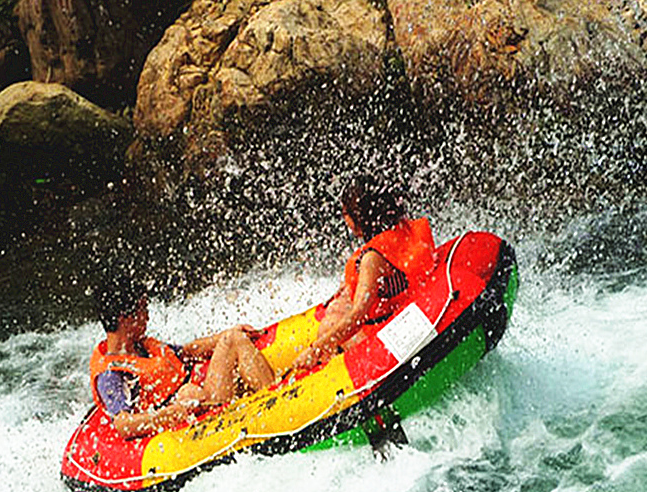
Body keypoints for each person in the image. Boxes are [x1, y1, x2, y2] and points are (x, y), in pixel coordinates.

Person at [90, 277, 275, 438]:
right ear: (125, 319)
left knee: (232, 338)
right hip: (193, 420)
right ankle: (276, 403)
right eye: (142, 310)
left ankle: (274, 394)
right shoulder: (111, 376)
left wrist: (224, 334)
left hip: (203, 399)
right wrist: (172, 413)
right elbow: (123, 425)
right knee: (192, 389)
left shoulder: (140, 346)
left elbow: (186, 352)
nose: (147, 317)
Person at [293, 174, 437, 372]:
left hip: (384, 338)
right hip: (404, 313)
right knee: (337, 309)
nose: (345, 220)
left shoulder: (372, 259)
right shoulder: (403, 231)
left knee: (329, 325)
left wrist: (315, 350)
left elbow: (359, 314)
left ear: (358, 216)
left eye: (345, 213)